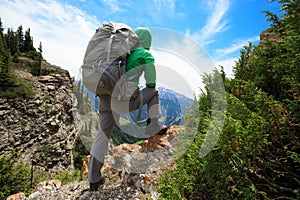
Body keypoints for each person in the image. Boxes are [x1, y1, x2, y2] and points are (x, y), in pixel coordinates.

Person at [88, 27, 168, 191]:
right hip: (124, 102)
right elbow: (151, 84)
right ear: (148, 41)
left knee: (102, 136)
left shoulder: (121, 53)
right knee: (154, 92)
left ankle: (94, 180)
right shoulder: (145, 55)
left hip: (104, 99)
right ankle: (153, 125)